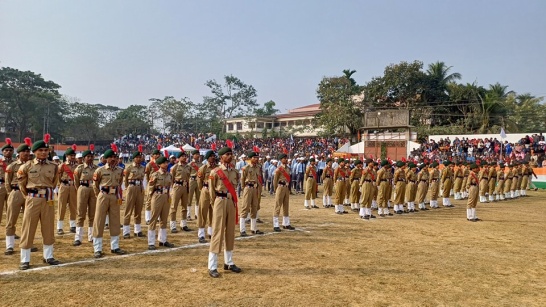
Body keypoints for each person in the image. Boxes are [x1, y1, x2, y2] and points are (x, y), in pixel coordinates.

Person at [17, 135, 60, 270]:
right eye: (40, 150)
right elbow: (21, 184)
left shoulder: (53, 166)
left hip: (48, 199)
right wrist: (29, 197)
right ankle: (25, 259)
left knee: (48, 227)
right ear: (34, 152)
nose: (43, 153)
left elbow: (53, 183)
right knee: (28, 228)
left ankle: (48, 256)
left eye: (45, 150)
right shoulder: (26, 166)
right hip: (32, 198)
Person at [207, 147, 242, 278]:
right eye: (227, 154)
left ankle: (229, 262)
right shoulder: (215, 172)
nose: (230, 156)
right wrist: (215, 204)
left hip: (231, 201)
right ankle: (212, 266)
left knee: (230, 232)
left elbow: (235, 186)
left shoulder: (235, 171)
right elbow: (211, 192)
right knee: (217, 232)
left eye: (231, 154)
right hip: (220, 200)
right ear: (221, 157)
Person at [92, 145, 126, 258]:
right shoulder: (100, 170)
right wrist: (99, 196)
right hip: (103, 195)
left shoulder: (120, 171)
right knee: (99, 221)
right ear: (106, 159)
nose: (113, 159)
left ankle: (115, 246)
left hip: (114, 196)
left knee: (115, 220)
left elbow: (120, 183)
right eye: (111, 157)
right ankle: (97, 248)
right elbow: (95, 185)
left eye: (115, 157)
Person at [4, 140, 35, 255]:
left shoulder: (33, 165)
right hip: (16, 192)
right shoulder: (12, 165)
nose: (27, 154)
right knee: (11, 220)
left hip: (29, 193)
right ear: (19, 153)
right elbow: (7, 182)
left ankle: (27, 243)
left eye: (28, 151)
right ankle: (10, 246)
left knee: (29, 220)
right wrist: (11, 194)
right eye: (24, 152)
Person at [147, 156, 175, 249]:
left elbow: (170, 185)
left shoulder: (169, 175)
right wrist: (150, 198)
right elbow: (150, 187)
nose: (166, 164)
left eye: (167, 163)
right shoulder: (155, 175)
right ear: (159, 164)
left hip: (166, 196)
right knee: (154, 218)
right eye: (164, 163)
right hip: (157, 196)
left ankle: (162, 240)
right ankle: (151, 242)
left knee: (164, 219)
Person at [72, 146, 98, 246]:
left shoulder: (96, 168)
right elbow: (76, 182)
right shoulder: (80, 168)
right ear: (84, 158)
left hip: (93, 190)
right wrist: (80, 190)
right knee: (80, 213)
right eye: (88, 156)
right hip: (83, 189)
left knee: (93, 214)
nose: (90, 158)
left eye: (91, 156)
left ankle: (91, 236)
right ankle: (78, 238)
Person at [122, 148, 146, 239]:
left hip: (139, 188)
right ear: (134, 158)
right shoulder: (129, 167)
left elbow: (142, 179)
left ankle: (137, 230)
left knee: (138, 210)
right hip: (131, 187)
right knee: (128, 210)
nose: (139, 159)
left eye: (140, 157)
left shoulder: (143, 168)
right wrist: (128, 188)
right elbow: (125, 180)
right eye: (137, 157)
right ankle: (126, 231)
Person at [239, 152, 263, 236]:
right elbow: (242, 180)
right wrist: (244, 189)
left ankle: (254, 228)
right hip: (248, 188)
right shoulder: (246, 168)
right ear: (250, 158)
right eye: (254, 157)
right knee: (245, 207)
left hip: (255, 189)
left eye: (257, 157)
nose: (257, 159)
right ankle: (242, 229)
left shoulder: (258, 168)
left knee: (254, 208)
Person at [57, 146, 78, 235]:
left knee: (73, 206)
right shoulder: (62, 166)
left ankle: (72, 226)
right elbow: (58, 177)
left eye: (74, 155)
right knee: (61, 207)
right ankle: (59, 227)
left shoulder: (77, 166)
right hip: (64, 186)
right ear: (67, 156)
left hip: (73, 186)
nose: (72, 157)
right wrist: (59, 187)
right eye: (71, 155)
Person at [169, 151, 192, 233]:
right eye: (182, 156)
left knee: (184, 207)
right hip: (177, 186)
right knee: (174, 206)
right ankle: (173, 225)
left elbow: (188, 177)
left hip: (185, 187)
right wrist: (172, 189)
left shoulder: (188, 167)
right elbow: (171, 179)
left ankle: (184, 224)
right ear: (178, 158)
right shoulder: (174, 167)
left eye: (185, 156)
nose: (184, 157)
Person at [197, 151, 216, 243]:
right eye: (211, 156)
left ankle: (211, 232)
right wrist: (203, 190)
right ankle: (201, 234)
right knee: (202, 212)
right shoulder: (203, 168)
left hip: (215, 191)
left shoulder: (217, 168)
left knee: (213, 212)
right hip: (206, 190)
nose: (213, 157)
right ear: (207, 158)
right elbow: (199, 181)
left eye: (214, 156)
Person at [272, 153, 294, 231]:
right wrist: (275, 189)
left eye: (286, 158)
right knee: (278, 206)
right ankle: (276, 225)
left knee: (286, 205)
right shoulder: (278, 169)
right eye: (284, 158)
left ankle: (286, 223)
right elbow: (275, 180)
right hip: (280, 187)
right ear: (281, 160)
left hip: (286, 188)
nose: (286, 159)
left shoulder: (288, 168)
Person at [0, 138, 16, 230]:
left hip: (11, 187)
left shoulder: (15, 162)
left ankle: (10, 230)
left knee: (11, 210)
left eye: (10, 150)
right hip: (1, 186)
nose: (8, 152)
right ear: (3, 151)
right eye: (6, 150)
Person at [144, 149, 161, 224]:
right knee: (148, 201)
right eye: (156, 154)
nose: (158, 155)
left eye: (158, 154)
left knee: (157, 201)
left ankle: (156, 217)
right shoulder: (149, 164)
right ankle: (148, 218)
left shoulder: (160, 164)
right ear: (153, 155)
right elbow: (147, 175)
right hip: (151, 184)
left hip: (159, 184)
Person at [188, 150, 202, 220]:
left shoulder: (201, 164)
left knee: (198, 198)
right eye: (196, 154)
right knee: (189, 198)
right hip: (192, 180)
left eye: (198, 154)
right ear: (193, 155)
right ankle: (188, 215)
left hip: (198, 181)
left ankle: (197, 214)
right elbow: (187, 173)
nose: (197, 155)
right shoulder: (190, 164)